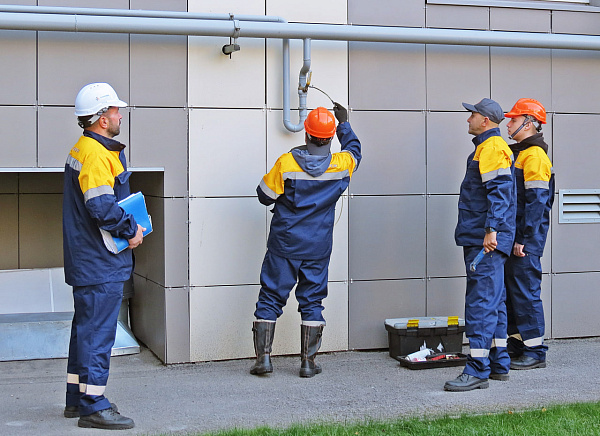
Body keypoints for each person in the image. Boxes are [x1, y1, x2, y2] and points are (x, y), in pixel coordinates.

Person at [250, 103, 361, 378]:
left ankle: (264, 361)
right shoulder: (341, 165)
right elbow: (356, 152)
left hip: (285, 244)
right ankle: (308, 364)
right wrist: (344, 124)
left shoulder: (286, 162)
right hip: (318, 246)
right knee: (312, 301)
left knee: (271, 296)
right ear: (331, 136)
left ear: (306, 134)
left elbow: (264, 196)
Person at [62, 83, 144, 430]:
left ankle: (77, 399)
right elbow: (101, 207)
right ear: (100, 118)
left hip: (87, 258)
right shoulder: (96, 155)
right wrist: (132, 230)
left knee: (85, 330)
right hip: (100, 261)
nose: (119, 115)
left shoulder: (87, 149)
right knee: (98, 334)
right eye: (114, 111)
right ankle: (94, 404)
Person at [445, 98, 516, 392]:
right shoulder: (488, 148)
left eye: (471, 114)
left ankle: (476, 370)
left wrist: (491, 230)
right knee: (494, 300)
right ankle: (498, 363)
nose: (468, 119)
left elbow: (499, 194)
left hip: (484, 239)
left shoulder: (491, 148)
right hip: (483, 237)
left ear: (485, 120)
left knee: (480, 302)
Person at [504, 98, 554, 370]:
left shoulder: (534, 156)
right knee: (513, 293)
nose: (508, 124)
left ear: (528, 123)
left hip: (525, 240)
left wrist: (523, 239)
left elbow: (536, 203)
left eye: (513, 120)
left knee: (525, 293)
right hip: (517, 237)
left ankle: (535, 352)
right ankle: (518, 344)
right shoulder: (522, 153)